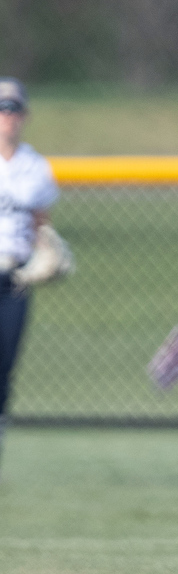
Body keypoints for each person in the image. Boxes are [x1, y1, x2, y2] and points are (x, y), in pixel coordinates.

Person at [0, 78, 59, 471]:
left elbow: (41, 226)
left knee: (3, 370)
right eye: (2, 109)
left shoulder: (34, 167)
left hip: (13, 281)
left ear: (25, 116)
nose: (8, 117)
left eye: (13, 109)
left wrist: (49, 255)